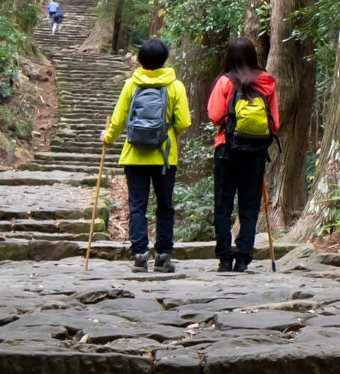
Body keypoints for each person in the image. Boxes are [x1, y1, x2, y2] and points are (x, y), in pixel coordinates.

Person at [103, 38, 192, 274]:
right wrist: (168, 132)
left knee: (137, 207)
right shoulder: (175, 86)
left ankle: (140, 255)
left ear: (141, 60)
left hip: (135, 155)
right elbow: (184, 122)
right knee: (164, 207)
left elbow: (119, 118)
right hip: (164, 157)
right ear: (164, 60)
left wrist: (108, 138)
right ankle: (163, 255)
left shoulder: (131, 84)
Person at [206, 37, 279, 272]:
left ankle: (225, 258)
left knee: (223, 205)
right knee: (249, 206)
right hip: (256, 153)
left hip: (227, 150)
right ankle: (244, 257)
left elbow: (215, 116)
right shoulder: (266, 83)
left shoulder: (225, 82)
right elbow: (274, 124)